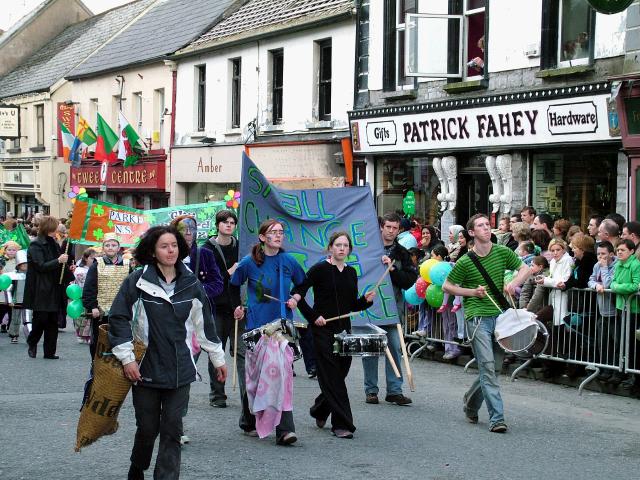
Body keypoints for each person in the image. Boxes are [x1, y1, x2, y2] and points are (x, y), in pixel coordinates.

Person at [109, 225, 227, 480]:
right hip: (144, 368)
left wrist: (218, 358)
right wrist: (127, 359)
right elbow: (118, 318)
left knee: (172, 428)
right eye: (164, 246)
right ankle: (137, 466)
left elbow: (204, 323)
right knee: (148, 428)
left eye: (174, 245)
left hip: (180, 369)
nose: (171, 250)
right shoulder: (136, 282)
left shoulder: (191, 284)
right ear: (152, 251)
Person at [443, 213, 530, 433]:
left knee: (495, 368)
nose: (486, 228)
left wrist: (513, 283)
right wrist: (471, 291)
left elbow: (525, 269)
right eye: (480, 226)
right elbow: (447, 286)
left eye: (487, 224)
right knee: (488, 366)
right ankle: (497, 419)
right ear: (471, 233)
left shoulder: (502, 252)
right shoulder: (465, 261)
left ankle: (470, 402)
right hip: (478, 316)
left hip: (501, 316)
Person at [293, 232, 376, 439]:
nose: (341, 248)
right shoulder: (319, 269)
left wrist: (365, 301)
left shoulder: (351, 272)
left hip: (344, 331)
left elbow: (351, 305)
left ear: (349, 249)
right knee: (333, 377)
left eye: (345, 245)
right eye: (338, 245)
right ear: (330, 247)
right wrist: (313, 317)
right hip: (322, 330)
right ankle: (342, 424)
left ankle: (320, 409)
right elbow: (299, 293)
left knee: (340, 373)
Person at [230, 219, 306, 445]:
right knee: (256, 377)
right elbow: (233, 284)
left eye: (281, 232)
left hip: (281, 328)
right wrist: (236, 306)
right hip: (256, 326)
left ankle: (284, 430)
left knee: (281, 376)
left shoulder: (288, 261)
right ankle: (248, 418)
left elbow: (303, 283)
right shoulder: (249, 262)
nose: (279, 236)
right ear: (262, 237)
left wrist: (295, 297)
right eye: (274, 232)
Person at [362, 212, 417, 406]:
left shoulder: (402, 253)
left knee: (394, 347)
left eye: (395, 228)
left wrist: (393, 270)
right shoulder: (367, 248)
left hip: (393, 308)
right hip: (370, 308)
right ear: (381, 227)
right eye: (388, 227)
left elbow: (409, 281)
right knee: (370, 349)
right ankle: (371, 390)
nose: (391, 231)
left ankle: (394, 390)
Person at [201, 209, 240, 408]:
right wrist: (228, 273)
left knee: (241, 352)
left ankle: (247, 396)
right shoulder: (207, 249)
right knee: (216, 351)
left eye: (232, 222)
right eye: (225, 222)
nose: (229, 225)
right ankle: (217, 395)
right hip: (215, 307)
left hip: (237, 307)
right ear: (218, 225)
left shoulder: (240, 247)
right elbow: (205, 279)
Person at [23, 216, 70, 359]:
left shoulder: (54, 243)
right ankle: (32, 342)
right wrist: (58, 260)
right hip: (41, 288)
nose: (58, 228)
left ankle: (49, 352)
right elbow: (40, 266)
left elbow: (58, 265)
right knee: (40, 320)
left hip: (54, 287)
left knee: (52, 322)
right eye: (55, 226)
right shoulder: (36, 245)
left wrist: (67, 267)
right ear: (49, 227)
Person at [82, 233, 130, 360]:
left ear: (119, 248)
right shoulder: (97, 264)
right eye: (107, 245)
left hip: (121, 310)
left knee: (121, 339)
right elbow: (89, 287)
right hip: (101, 310)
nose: (110, 248)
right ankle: (96, 365)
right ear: (103, 247)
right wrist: (92, 306)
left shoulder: (127, 264)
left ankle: (116, 369)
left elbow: (131, 288)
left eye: (113, 245)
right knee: (99, 340)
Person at [609, 239, 640, 387]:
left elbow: (635, 286)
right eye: (618, 250)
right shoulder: (618, 264)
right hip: (621, 307)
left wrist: (617, 287)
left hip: (634, 309)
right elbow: (613, 282)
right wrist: (616, 286)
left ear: (632, 251)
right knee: (621, 341)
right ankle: (621, 373)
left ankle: (634, 376)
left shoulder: (635, 265)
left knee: (632, 344)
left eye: (623, 250)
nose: (619, 252)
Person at [72, 248, 96, 344]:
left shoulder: (92, 269)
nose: (94, 260)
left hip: (89, 294)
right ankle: (81, 335)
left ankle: (87, 335)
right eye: (92, 258)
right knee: (81, 316)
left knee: (88, 316)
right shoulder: (80, 270)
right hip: (81, 294)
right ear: (86, 258)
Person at [7, 249, 28, 344]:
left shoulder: (31, 276)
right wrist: (10, 300)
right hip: (16, 300)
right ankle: (14, 335)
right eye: (23, 264)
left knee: (28, 319)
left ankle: (29, 335)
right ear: (18, 265)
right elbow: (9, 289)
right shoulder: (14, 276)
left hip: (28, 300)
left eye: (26, 264)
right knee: (15, 319)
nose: (25, 266)